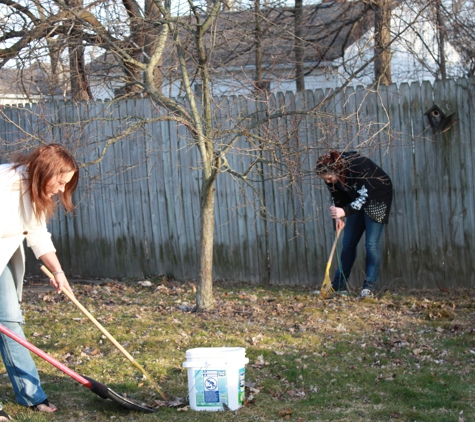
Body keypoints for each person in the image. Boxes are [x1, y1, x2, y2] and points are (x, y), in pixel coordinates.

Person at [0, 144, 79, 420]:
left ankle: (31, 393)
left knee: (10, 324)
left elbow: (36, 233)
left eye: (65, 183)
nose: (61, 189)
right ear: (45, 170)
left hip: (3, 259)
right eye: (59, 181)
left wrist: (58, 272)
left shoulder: (34, 190)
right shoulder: (5, 184)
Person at [315, 150, 392, 298]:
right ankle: (339, 286)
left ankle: (368, 288)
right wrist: (338, 215)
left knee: (371, 244)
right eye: (325, 180)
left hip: (377, 198)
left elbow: (366, 196)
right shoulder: (330, 176)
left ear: (336, 170)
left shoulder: (359, 165)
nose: (328, 182)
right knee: (348, 242)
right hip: (355, 200)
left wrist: (344, 211)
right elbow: (336, 195)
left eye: (329, 178)